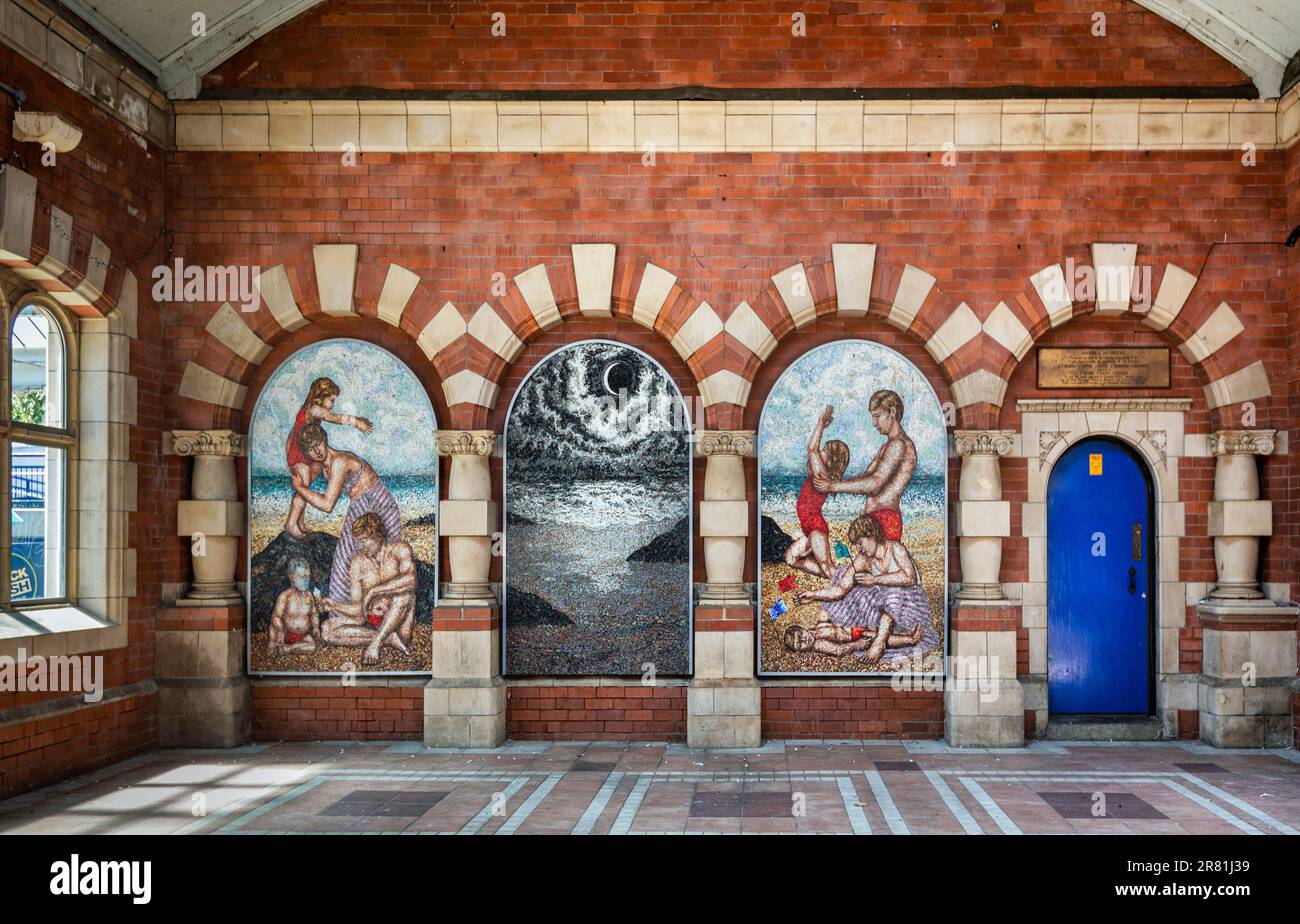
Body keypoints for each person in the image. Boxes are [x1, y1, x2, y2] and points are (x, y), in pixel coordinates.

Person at [791, 514, 932, 664]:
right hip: (885, 610)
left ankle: (880, 643)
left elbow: (910, 578)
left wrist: (875, 580)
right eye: (856, 545)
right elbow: (840, 588)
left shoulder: (895, 548)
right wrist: (814, 595)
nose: (859, 549)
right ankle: (880, 637)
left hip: (909, 605)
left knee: (893, 592)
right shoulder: (863, 559)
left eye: (860, 543)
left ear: (871, 534)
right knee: (842, 575)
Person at [293, 422, 403, 602]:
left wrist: (298, 487)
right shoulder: (323, 465)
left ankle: (385, 613)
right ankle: (346, 612)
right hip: (360, 505)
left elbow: (327, 505)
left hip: (379, 503)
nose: (317, 450)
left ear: (324, 439)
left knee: (388, 555)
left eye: (318, 443)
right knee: (344, 556)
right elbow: (303, 476)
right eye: (311, 449)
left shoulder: (339, 461)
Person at [812, 389, 915, 543]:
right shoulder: (889, 445)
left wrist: (832, 486)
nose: (874, 423)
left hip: (885, 520)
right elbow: (865, 479)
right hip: (877, 520)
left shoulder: (898, 445)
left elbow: (874, 484)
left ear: (892, 412)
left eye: (877, 416)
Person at [320, 512, 417, 664]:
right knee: (327, 629)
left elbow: (411, 580)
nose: (360, 546)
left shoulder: (400, 550)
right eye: (358, 541)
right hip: (371, 623)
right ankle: (388, 639)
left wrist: (374, 591)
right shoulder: (357, 563)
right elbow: (359, 609)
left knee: (405, 595)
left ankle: (377, 643)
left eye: (364, 541)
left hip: (399, 623)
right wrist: (334, 605)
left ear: (377, 535)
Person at [283, 377, 373, 539]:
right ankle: (291, 523)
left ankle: (299, 522)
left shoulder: (308, 409)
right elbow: (334, 418)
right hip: (300, 454)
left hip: (303, 451)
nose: (332, 404)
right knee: (302, 489)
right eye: (331, 400)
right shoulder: (314, 409)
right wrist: (356, 422)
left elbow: (292, 434)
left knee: (305, 487)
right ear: (321, 396)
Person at [785, 405, 851, 578]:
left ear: (830, 460)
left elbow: (812, 449)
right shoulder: (821, 474)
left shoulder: (822, 475)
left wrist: (821, 423)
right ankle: (840, 580)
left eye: (825, 451)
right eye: (822, 450)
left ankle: (847, 586)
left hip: (815, 528)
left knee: (827, 566)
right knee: (791, 558)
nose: (820, 452)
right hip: (810, 528)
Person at [782, 619, 922, 658]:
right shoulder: (819, 644)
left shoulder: (814, 628)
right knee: (880, 638)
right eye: (800, 645)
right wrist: (858, 645)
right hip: (854, 636)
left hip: (852, 626)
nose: (804, 640)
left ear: (803, 629)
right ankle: (911, 639)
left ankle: (906, 634)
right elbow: (838, 650)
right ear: (801, 651)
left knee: (879, 631)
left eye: (801, 636)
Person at [266, 558, 321, 656]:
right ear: (291, 577)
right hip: (285, 632)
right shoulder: (285, 596)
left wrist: (316, 626)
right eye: (301, 576)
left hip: (302, 635)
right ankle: (277, 645)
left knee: (312, 646)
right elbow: (276, 617)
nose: (305, 580)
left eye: (308, 576)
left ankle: (289, 649)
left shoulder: (309, 596)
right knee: (274, 631)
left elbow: (314, 614)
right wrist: (281, 629)